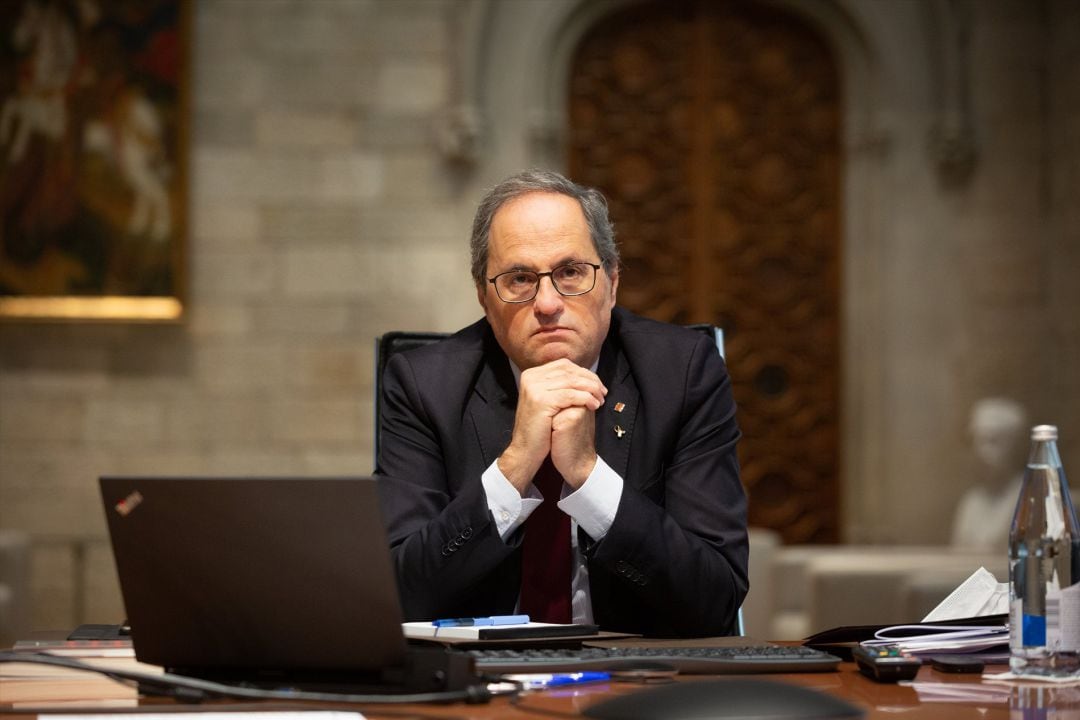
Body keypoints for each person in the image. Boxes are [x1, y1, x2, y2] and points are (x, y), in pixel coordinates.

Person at [376, 169, 747, 637]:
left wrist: (588, 476)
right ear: (484, 299)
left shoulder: (683, 374)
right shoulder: (423, 385)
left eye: (571, 272)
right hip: (482, 677)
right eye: (519, 279)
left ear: (612, 283)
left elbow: (713, 600)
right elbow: (399, 594)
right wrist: (514, 468)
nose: (548, 303)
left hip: (636, 673)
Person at [951, 397, 1028, 550]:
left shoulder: (1029, 499)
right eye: (977, 441)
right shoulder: (971, 502)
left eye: (993, 441)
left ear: (1015, 447)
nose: (981, 452)